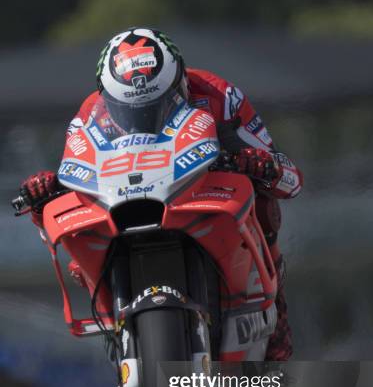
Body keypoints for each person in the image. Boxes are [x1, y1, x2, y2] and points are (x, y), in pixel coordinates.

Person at [20, 28, 303, 361]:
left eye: (159, 103)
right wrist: (44, 196)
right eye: (129, 109)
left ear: (180, 81)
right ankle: (115, 317)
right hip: (127, 198)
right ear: (108, 97)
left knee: (265, 205)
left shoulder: (221, 97)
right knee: (77, 241)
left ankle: (275, 307)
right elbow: (75, 173)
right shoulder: (89, 114)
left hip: (200, 190)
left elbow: (290, 179)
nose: (143, 115)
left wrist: (262, 165)